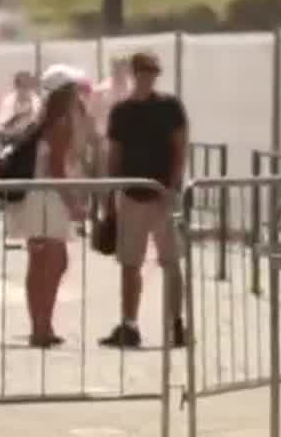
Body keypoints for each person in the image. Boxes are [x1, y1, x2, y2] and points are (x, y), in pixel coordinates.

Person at [100, 50, 189, 350]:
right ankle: (130, 324)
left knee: (171, 261)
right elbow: (114, 155)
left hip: (161, 193)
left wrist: (173, 189)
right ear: (134, 73)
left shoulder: (170, 107)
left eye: (153, 71)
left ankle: (176, 323)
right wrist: (110, 195)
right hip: (132, 193)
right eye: (144, 71)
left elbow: (179, 148)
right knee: (130, 263)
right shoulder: (121, 112)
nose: (149, 76)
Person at [7, 69, 87, 348]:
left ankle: (41, 325)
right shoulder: (60, 123)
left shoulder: (42, 121)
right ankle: (41, 326)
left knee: (44, 262)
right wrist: (73, 203)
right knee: (51, 263)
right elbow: (56, 169)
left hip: (38, 198)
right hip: (47, 200)